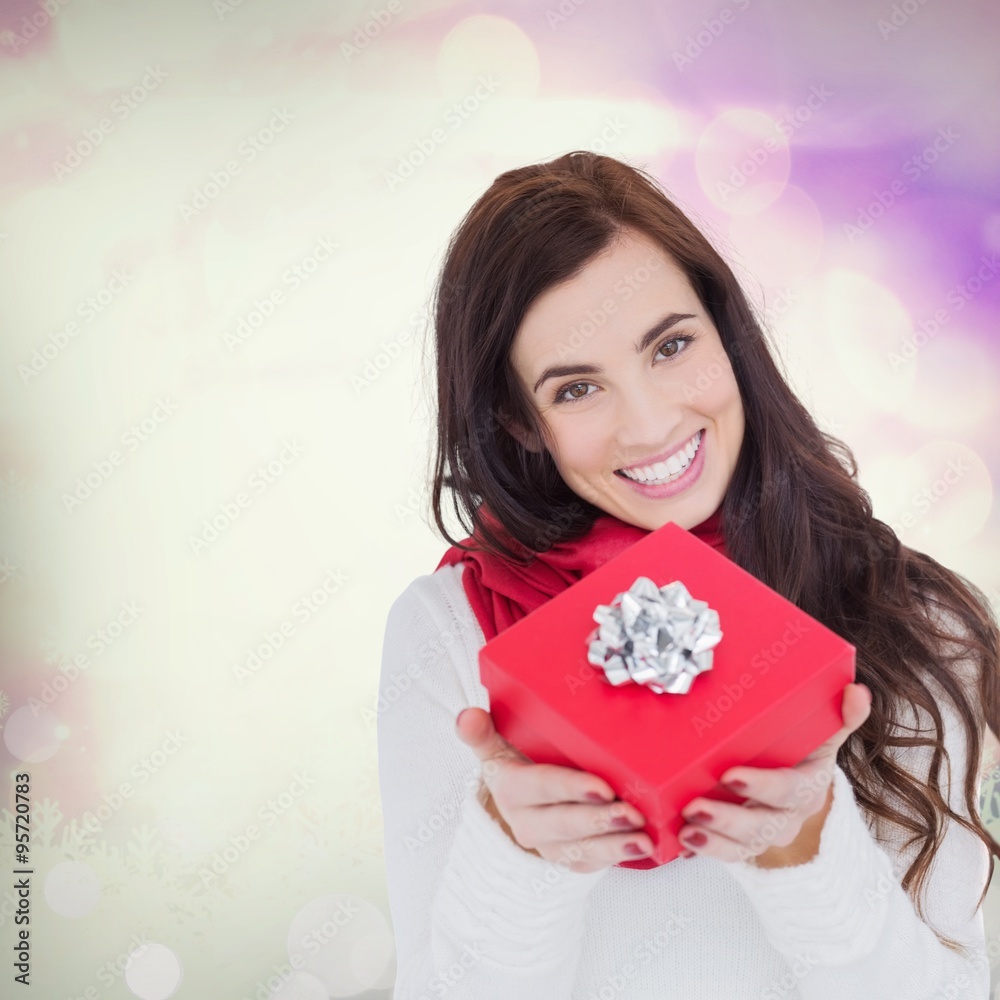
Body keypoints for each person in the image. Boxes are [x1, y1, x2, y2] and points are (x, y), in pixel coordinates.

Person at [376, 150, 999, 998]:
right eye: (575, 390)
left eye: (671, 346)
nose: (651, 421)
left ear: (726, 330)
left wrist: (808, 848)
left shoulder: (917, 623)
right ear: (519, 423)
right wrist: (520, 855)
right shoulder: (449, 636)